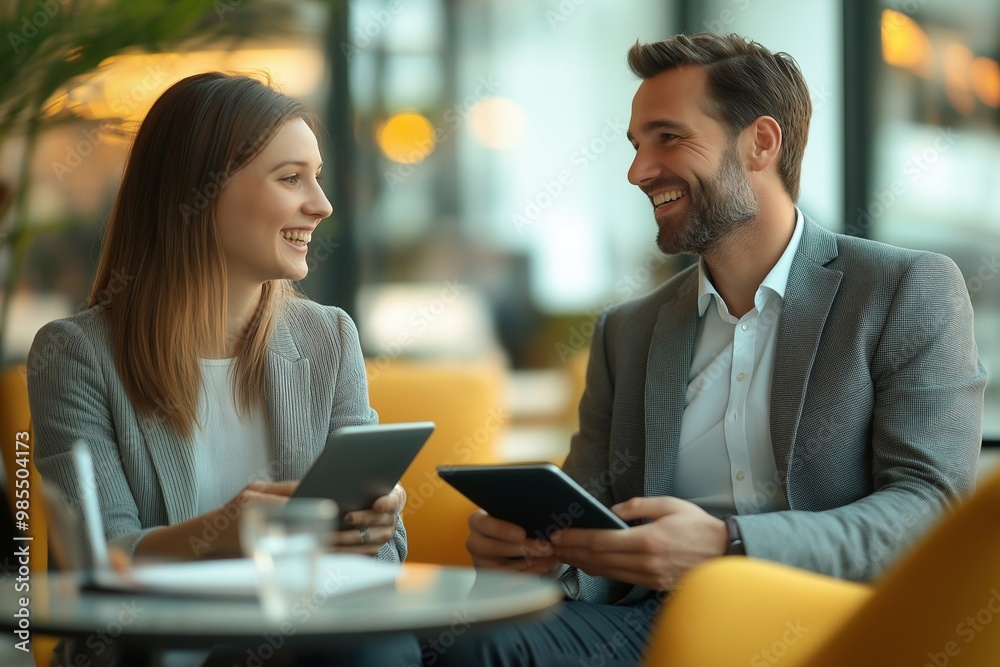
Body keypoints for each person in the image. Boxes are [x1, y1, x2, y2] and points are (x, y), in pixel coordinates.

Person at [439, 32, 988, 666]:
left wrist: (730, 543)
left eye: (668, 137)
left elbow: (928, 508)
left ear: (761, 143)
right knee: (418, 641)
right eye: (637, 144)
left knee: (485, 648)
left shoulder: (902, 289)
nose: (638, 170)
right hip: (651, 625)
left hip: (827, 627)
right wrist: (538, 555)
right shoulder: (627, 330)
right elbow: (592, 522)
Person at [27, 72, 420, 666]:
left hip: (311, 642)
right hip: (158, 651)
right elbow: (92, 567)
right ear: (201, 190)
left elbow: (388, 561)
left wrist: (373, 526)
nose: (322, 204)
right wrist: (221, 535)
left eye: (316, 177)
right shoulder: (76, 355)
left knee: (378, 646)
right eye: (291, 178)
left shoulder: (328, 338)